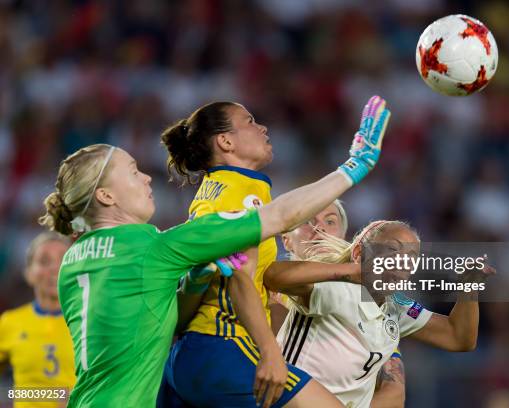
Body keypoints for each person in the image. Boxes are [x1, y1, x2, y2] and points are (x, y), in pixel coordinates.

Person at [39, 95, 390, 408]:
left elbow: (160, 313)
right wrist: (356, 165)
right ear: (106, 196)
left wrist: (193, 282)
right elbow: (279, 218)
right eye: (133, 172)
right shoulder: (157, 247)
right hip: (220, 348)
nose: (147, 178)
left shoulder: (73, 260)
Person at [157, 95, 389, 408]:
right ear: (225, 141)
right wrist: (270, 352)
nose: (263, 128)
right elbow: (240, 278)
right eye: (250, 122)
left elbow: (283, 212)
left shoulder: (215, 189)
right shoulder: (242, 190)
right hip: (224, 345)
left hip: (189, 352)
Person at [265, 220, 492, 408]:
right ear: (358, 253)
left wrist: (469, 288)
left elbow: (458, 337)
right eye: (392, 250)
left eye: (411, 257)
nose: (402, 261)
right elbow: (272, 275)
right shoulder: (336, 289)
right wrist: (352, 271)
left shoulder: (397, 307)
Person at [277, 200, 407, 408]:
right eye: (307, 221)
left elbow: (394, 393)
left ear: (343, 237)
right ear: (286, 240)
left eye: (330, 221)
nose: (319, 228)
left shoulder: (376, 302)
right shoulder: (265, 290)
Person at [0, 232, 76, 408]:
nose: (55, 268)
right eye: (44, 261)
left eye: (63, 260)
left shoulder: (92, 322)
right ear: (28, 273)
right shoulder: (10, 322)